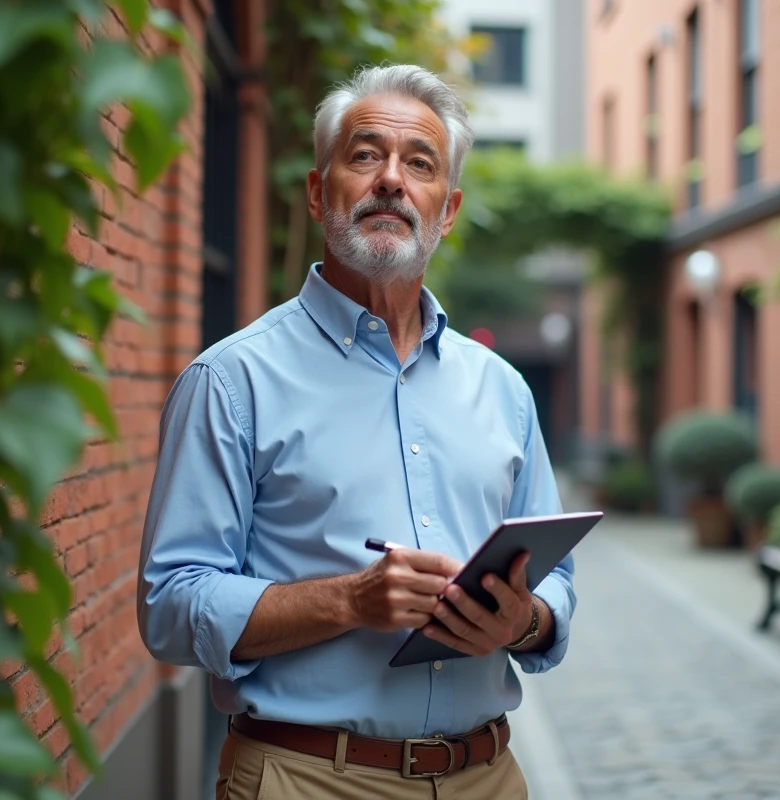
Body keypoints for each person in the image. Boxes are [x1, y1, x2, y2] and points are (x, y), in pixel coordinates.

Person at [136, 63, 575, 799]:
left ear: (448, 209)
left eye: (420, 164)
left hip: (489, 778)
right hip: (307, 778)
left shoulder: (503, 390)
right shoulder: (231, 381)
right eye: (366, 155)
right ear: (319, 192)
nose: (392, 181)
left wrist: (522, 622)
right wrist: (349, 600)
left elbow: (555, 579)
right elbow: (171, 606)